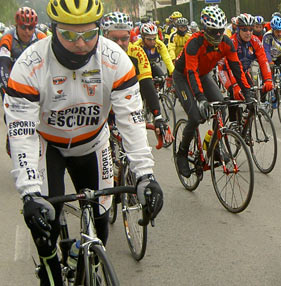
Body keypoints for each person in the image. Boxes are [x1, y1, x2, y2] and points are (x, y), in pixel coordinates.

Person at [4, 0, 164, 284]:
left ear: (99, 29)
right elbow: (22, 132)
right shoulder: (29, 65)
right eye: (69, 35)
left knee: (100, 229)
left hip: (93, 144)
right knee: (44, 226)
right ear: (53, 30)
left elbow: (132, 121)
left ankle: (82, 253)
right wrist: (29, 193)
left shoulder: (115, 59)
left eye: (88, 35)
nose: (80, 43)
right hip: (47, 146)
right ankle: (50, 267)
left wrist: (145, 175)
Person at [173, 5, 252, 178]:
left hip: (202, 75)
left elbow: (236, 68)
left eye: (220, 30)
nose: (218, 35)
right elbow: (191, 72)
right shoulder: (194, 43)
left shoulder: (226, 42)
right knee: (195, 116)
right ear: (205, 29)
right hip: (183, 76)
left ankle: (214, 146)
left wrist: (247, 92)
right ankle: (182, 153)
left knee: (221, 106)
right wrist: (200, 98)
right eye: (213, 31)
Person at [101, 11, 173, 144]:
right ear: (104, 36)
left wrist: (158, 116)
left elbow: (146, 83)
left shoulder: (137, 52)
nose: (119, 43)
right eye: (113, 39)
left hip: (127, 107)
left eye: (124, 39)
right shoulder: (95, 54)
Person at [219, 13, 273, 101]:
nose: (248, 33)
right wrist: (236, 85)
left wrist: (268, 79)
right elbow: (230, 67)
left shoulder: (255, 41)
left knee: (252, 96)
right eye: (244, 29)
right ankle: (233, 114)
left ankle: (250, 114)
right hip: (226, 71)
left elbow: (263, 61)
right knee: (235, 95)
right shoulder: (232, 42)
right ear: (238, 29)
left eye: (251, 29)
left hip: (242, 72)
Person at [0, 7, 46, 99]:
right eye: (23, 27)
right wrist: (9, 92)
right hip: (12, 80)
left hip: (35, 81)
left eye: (30, 27)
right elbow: (2, 66)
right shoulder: (7, 38)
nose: (27, 32)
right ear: (17, 25)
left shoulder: (42, 38)